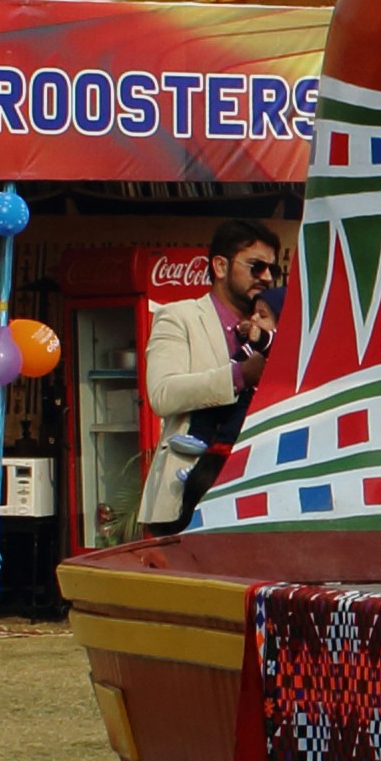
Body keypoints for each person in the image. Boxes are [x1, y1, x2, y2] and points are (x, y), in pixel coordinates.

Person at [137, 219, 284, 534]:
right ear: (220, 265)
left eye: (273, 270)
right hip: (186, 492)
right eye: (257, 267)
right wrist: (239, 375)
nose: (267, 278)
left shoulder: (274, 325)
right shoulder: (179, 317)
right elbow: (162, 394)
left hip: (257, 491)